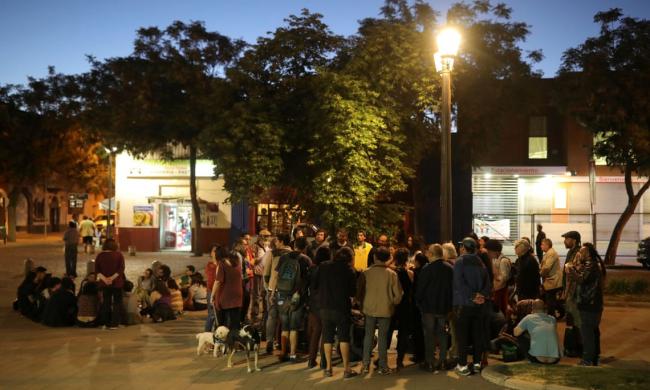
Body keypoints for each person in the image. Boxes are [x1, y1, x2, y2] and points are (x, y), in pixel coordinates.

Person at [313, 246, 358, 378]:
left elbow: (315, 285)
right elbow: (352, 292)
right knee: (344, 337)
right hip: (341, 308)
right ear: (350, 258)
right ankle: (346, 369)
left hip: (324, 306)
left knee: (327, 336)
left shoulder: (323, 266)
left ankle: (328, 368)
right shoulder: (349, 270)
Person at [358, 246, 403, 375]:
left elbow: (359, 293)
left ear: (374, 257)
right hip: (386, 309)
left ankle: (365, 365)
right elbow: (398, 295)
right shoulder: (392, 274)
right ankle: (383, 366)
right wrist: (392, 302)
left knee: (368, 336)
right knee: (383, 337)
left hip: (369, 308)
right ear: (388, 258)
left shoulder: (366, 273)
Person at [269, 236, 311, 362]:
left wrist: (272, 294)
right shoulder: (306, 260)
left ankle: (283, 352)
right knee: (294, 326)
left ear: (294, 245)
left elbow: (276, 276)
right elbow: (308, 279)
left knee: (284, 325)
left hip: (281, 294)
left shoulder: (283, 257)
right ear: (305, 247)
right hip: (297, 296)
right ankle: (292, 354)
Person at [453, 238, 491, 376]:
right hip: (479, 305)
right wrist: (482, 296)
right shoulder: (480, 262)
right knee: (477, 335)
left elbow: (459, 283)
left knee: (462, 336)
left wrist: (473, 295)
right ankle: (476, 363)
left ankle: (462, 365)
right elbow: (488, 283)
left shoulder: (460, 261)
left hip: (464, 304)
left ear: (464, 247)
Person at [416, 244, 454, 372]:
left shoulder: (427, 269)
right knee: (442, 334)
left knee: (429, 335)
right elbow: (452, 289)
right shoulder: (449, 268)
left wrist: (418, 302)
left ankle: (430, 362)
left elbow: (421, 289)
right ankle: (443, 361)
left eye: (428, 253)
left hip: (428, 308)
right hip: (444, 307)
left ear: (432, 254)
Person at [569, 243, 605, 366]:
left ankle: (587, 359)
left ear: (588, 253)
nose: (579, 254)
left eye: (582, 252)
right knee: (593, 331)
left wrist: (570, 269)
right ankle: (594, 357)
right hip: (593, 304)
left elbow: (581, 279)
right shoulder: (592, 265)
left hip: (589, 304)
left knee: (587, 333)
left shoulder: (591, 266)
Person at [264, 234, 292, 354]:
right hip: (286, 290)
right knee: (285, 317)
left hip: (272, 290)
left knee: (271, 316)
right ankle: (284, 344)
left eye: (277, 241)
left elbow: (266, 273)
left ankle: (269, 341)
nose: (275, 243)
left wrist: (268, 287)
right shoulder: (293, 254)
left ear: (280, 241)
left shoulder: (273, 253)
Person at [388, 248, 414, 369]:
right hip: (405, 305)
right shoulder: (409, 273)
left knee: (388, 331)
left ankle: (382, 357)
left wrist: (393, 258)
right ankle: (399, 360)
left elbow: (383, 265)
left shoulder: (391, 271)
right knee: (403, 333)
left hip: (392, 304)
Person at [514, 299, 561, 364]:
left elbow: (516, 333)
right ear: (544, 307)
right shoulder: (552, 319)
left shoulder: (528, 318)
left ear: (532, 308)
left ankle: (527, 358)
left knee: (521, 337)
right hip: (555, 360)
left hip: (538, 359)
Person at [306, 246, 331, 369]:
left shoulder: (313, 268)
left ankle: (311, 360)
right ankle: (324, 361)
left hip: (314, 303)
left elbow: (310, 286)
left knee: (315, 332)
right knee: (325, 332)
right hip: (326, 303)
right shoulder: (329, 269)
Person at [95, 239, 125, 329]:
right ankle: (114, 324)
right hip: (117, 283)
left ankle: (106, 323)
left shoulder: (100, 256)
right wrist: (111, 278)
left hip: (104, 284)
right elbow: (121, 269)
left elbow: (97, 270)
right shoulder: (119, 255)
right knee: (117, 303)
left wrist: (105, 279)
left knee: (106, 302)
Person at [212, 249, 244, 331]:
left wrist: (212, 295)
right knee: (235, 321)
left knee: (223, 322)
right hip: (238, 294)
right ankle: (235, 339)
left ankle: (225, 340)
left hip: (226, 295)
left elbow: (218, 281)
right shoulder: (237, 263)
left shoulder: (222, 264)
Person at [411, 252, 429, 364]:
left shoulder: (415, 272)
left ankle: (419, 355)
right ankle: (425, 354)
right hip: (427, 304)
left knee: (417, 331)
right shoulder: (427, 270)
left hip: (417, 305)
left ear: (417, 262)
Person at [562, 231, 582, 330]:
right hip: (570, 292)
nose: (564, 241)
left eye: (566, 239)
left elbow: (576, 275)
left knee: (575, 321)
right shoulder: (571, 252)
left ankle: (578, 342)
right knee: (570, 321)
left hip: (574, 293)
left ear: (574, 241)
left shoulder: (578, 253)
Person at [486, 239, 511, 316]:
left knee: (501, 312)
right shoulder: (495, 260)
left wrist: (493, 290)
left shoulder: (503, 261)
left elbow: (503, 279)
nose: (488, 254)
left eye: (489, 252)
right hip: (496, 291)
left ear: (496, 252)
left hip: (500, 291)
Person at [540, 238, 563, 318]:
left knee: (550, 298)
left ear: (547, 245)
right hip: (551, 279)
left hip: (553, 280)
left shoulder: (551, 253)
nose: (540, 246)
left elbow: (546, 267)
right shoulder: (548, 253)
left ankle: (551, 316)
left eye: (542, 244)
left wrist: (540, 274)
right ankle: (559, 312)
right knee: (551, 298)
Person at [251, 230, 270, 327]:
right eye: (264, 236)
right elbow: (252, 261)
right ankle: (254, 316)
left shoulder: (268, 246)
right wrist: (262, 258)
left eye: (267, 236)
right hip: (257, 273)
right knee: (256, 295)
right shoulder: (255, 246)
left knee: (264, 294)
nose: (266, 238)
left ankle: (263, 316)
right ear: (260, 237)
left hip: (265, 273)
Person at [205, 244, 224, 332]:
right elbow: (211, 281)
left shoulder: (222, 264)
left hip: (220, 292)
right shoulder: (210, 265)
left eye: (216, 251)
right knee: (212, 314)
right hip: (211, 292)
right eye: (213, 251)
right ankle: (207, 334)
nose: (214, 253)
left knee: (219, 315)